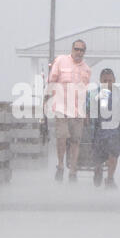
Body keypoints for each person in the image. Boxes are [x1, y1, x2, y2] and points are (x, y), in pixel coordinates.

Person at [46, 39, 91, 183]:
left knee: (75, 141)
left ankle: (72, 170)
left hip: (78, 110)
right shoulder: (60, 61)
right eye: (76, 49)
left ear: (84, 52)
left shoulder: (87, 69)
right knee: (62, 137)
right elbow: (51, 81)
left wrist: (87, 111)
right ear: (72, 49)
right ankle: (60, 165)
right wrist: (46, 101)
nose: (78, 52)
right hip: (61, 108)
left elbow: (86, 91)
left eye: (81, 50)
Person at [87, 68, 120, 189]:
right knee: (98, 158)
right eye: (105, 80)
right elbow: (87, 107)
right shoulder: (94, 93)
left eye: (110, 80)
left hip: (115, 131)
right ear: (100, 80)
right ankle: (98, 170)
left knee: (113, 155)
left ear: (114, 80)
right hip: (98, 132)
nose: (108, 83)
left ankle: (110, 178)